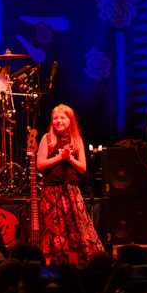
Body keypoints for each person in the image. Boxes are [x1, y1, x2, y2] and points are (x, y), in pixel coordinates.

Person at [36, 104, 105, 265]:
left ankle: (75, 266)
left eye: (62, 117)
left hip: (71, 192)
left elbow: (82, 168)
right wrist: (60, 157)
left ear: (70, 120)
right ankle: (49, 268)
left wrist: (69, 158)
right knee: (52, 230)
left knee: (75, 228)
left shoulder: (77, 140)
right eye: (55, 118)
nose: (58, 121)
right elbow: (40, 165)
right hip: (51, 191)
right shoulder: (47, 138)